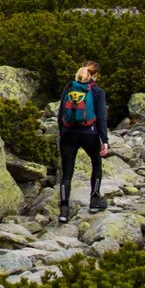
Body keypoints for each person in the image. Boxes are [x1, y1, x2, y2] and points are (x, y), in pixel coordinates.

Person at [57, 61, 110, 222]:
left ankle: (64, 210)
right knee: (96, 163)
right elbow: (101, 117)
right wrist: (104, 140)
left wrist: (63, 132)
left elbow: (60, 114)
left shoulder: (68, 87)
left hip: (68, 134)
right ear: (95, 75)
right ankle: (94, 201)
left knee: (67, 173)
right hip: (89, 134)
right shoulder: (97, 91)